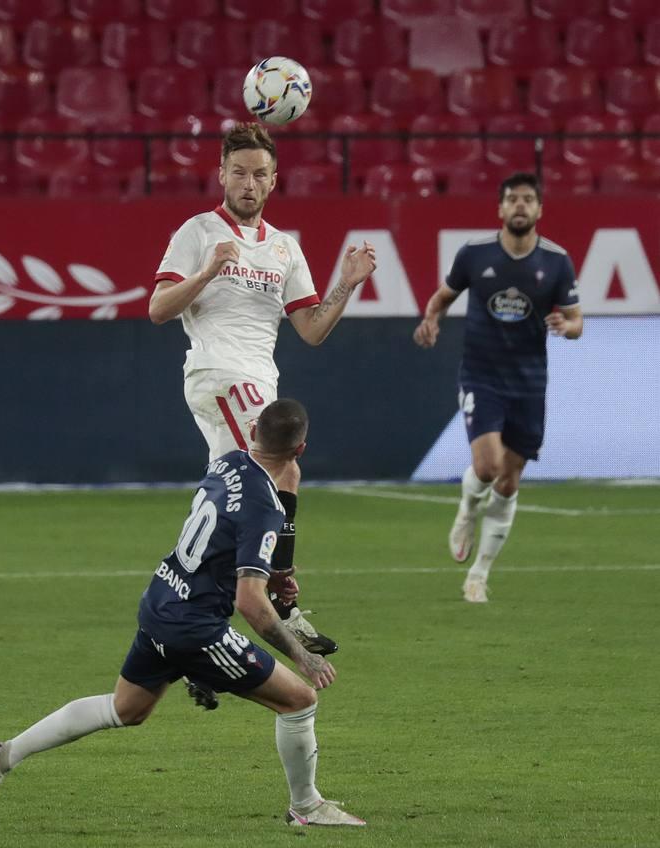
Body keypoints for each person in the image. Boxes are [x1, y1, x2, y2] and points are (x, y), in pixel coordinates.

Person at [0, 399, 366, 828]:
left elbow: (223, 541)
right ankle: (306, 807)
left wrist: (267, 576)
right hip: (195, 625)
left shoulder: (227, 462)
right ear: (300, 451)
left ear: (253, 434)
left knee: (125, 708)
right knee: (300, 701)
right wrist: (300, 655)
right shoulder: (265, 508)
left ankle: (2, 757)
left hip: (162, 599)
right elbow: (250, 602)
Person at [149, 122, 376, 674]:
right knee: (282, 469)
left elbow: (313, 330)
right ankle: (280, 598)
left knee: (231, 493)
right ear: (221, 175)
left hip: (259, 380)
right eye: (239, 172)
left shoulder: (284, 249)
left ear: (274, 181)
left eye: (259, 174)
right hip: (218, 374)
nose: (248, 182)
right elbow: (159, 308)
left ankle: (188, 598)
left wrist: (347, 283)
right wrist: (207, 271)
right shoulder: (198, 231)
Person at [413, 172, 583, 604]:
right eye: (513, 199)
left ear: (540, 209)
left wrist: (568, 324)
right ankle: (467, 508)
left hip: (529, 383)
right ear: (501, 209)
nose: (521, 205)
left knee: (508, 482)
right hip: (482, 375)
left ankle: (479, 574)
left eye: (528, 199)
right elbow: (443, 296)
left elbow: (577, 319)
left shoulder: (557, 261)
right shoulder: (475, 254)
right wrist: (431, 318)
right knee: (487, 467)